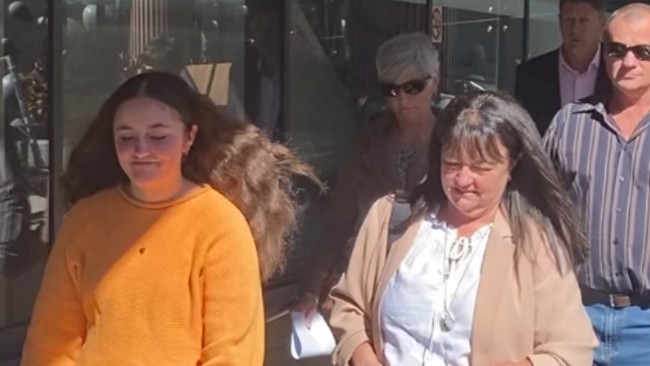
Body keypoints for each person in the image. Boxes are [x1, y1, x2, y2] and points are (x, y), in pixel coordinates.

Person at [20, 71, 319, 365]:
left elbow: (232, 354)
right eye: (126, 136)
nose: (141, 150)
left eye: (158, 136)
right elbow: (50, 343)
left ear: (189, 137)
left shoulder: (220, 226)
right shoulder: (84, 221)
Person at [329, 91, 597, 366]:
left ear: (511, 167)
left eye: (481, 168)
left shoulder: (535, 244)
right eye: (452, 164)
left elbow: (569, 350)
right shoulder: (390, 217)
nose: (462, 179)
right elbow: (349, 308)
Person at [289, 32, 439, 321]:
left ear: (435, 81)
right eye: (391, 91)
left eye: (413, 87)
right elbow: (337, 221)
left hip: (427, 294)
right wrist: (312, 286)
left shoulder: (455, 143)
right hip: (362, 287)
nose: (403, 101)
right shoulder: (368, 143)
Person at [543, 3, 650, 365]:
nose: (628, 61)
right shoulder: (569, 124)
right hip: (575, 314)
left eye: (643, 51)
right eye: (617, 50)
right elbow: (537, 212)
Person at [514, 0, 608, 135]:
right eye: (569, 20)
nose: (574, 29)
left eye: (583, 21)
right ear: (559, 21)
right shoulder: (530, 74)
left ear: (602, 23)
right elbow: (522, 133)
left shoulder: (617, 69)